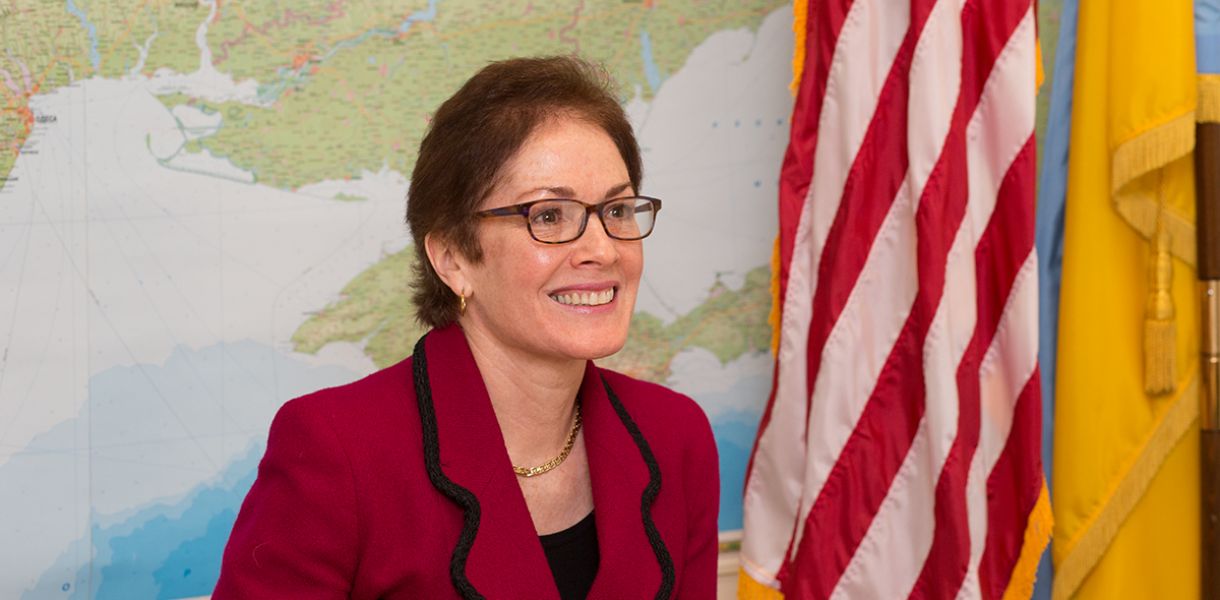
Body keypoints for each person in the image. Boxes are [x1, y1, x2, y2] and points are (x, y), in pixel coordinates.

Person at [213, 56, 720, 600]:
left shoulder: (675, 436)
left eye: (617, 210)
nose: (603, 249)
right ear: (453, 258)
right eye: (549, 216)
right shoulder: (337, 453)